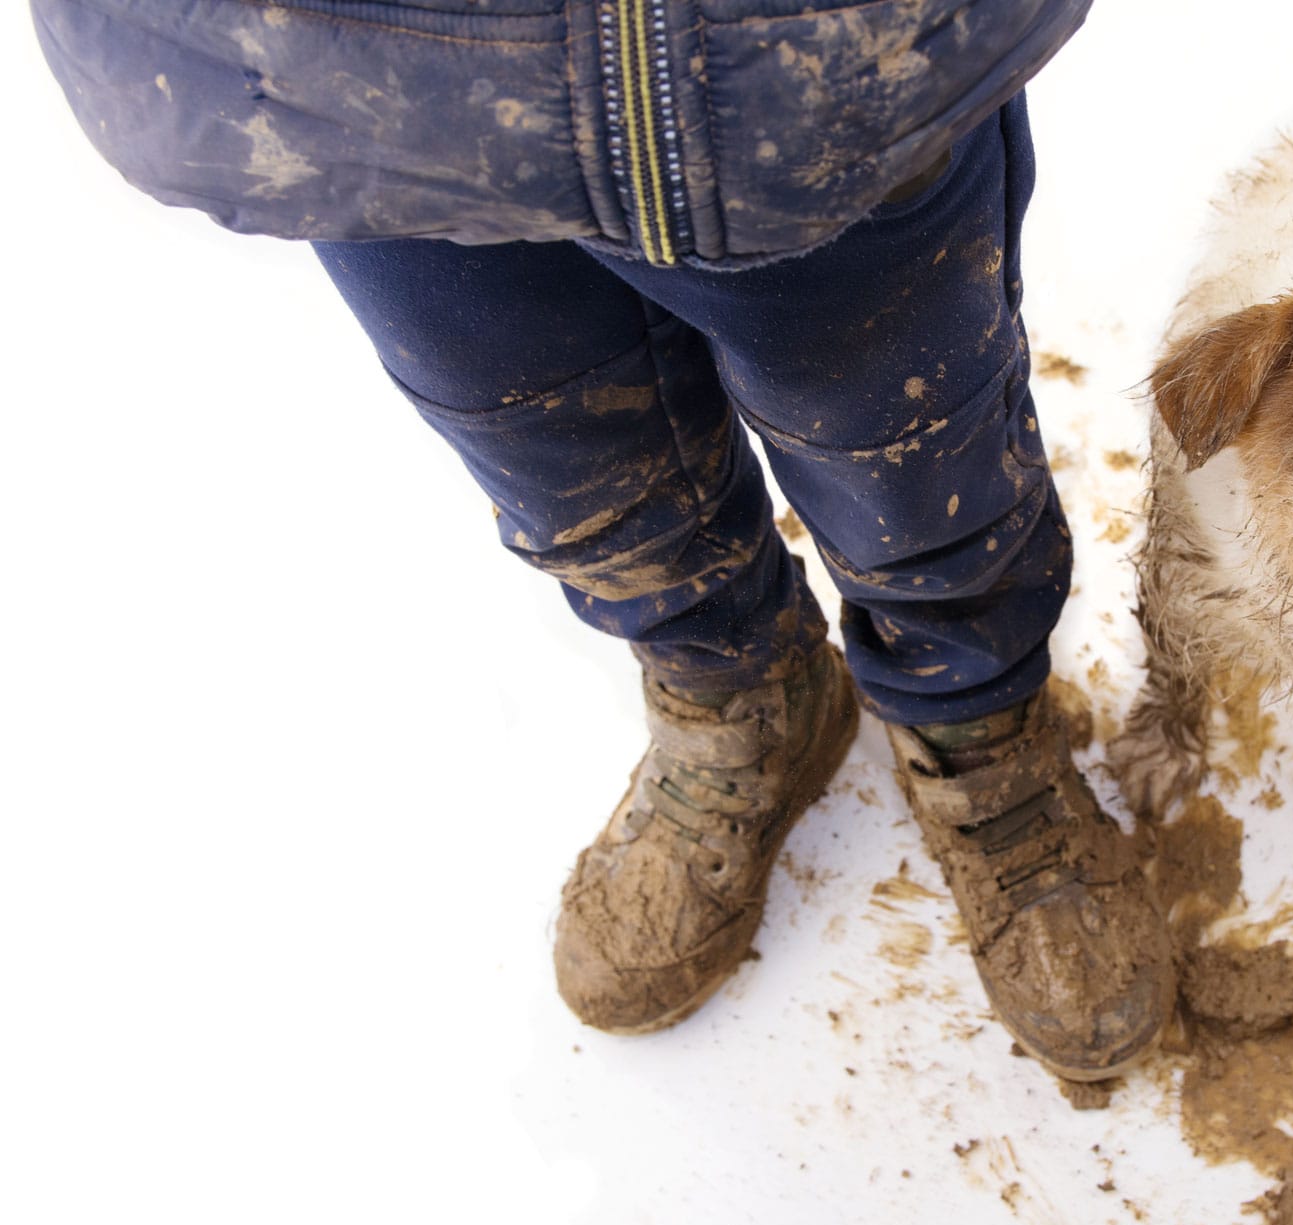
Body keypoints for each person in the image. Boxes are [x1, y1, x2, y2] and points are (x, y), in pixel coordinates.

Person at [33, 0, 1173, 1081]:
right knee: (565, 457)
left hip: (789, 62)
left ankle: (975, 722)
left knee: (910, 455)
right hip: (334, 77)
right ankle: (742, 697)